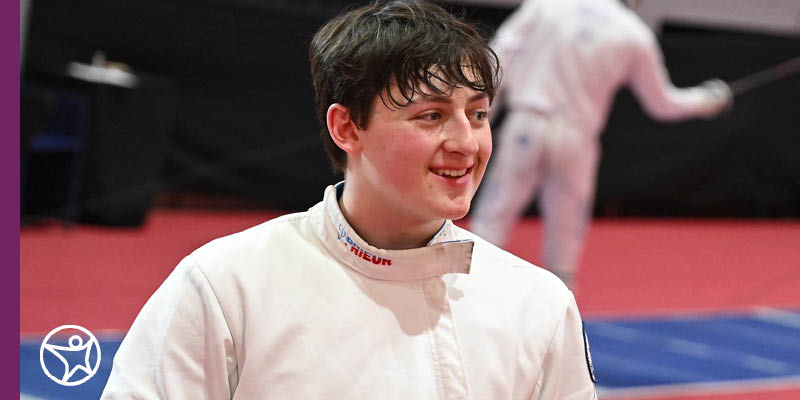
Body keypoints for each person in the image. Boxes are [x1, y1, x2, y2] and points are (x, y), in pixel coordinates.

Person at [101, 1, 597, 398]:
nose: (466, 143)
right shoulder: (226, 285)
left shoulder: (539, 304)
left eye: (479, 114)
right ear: (346, 127)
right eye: (431, 116)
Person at [470, 0, 733, 288]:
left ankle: (468, 289)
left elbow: (499, 54)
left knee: (493, 216)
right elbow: (662, 104)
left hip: (528, 124)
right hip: (577, 141)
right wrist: (708, 100)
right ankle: (565, 313)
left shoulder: (548, 5)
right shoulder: (634, 32)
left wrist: (481, 116)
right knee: (566, 236)